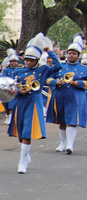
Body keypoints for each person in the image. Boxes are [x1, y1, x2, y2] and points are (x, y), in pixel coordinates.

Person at [8, 33, 61, 173]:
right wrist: (19, 91)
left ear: (37, 60)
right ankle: (25, 156)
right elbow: (11, 87)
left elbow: (57, 66)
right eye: (27, 60)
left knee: (27, 131)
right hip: (20, 101)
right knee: (19, 131)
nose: (29, 63)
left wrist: (49, 51)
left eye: (32, 60)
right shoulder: (18, 71)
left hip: (33, 101)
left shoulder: (43, 70)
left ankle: (22, 162)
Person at [46, 39, 87, 154]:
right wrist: (56, 82)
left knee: (71, 120)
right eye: (69, 53)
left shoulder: (84, 69)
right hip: (60, 95)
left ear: (78, 55)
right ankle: (62, 143)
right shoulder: (60, 67)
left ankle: (70, 145)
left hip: (75, 96)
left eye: (74, 53)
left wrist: (78, 83)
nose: (71, 55)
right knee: (62, 121)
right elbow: (48, 78)